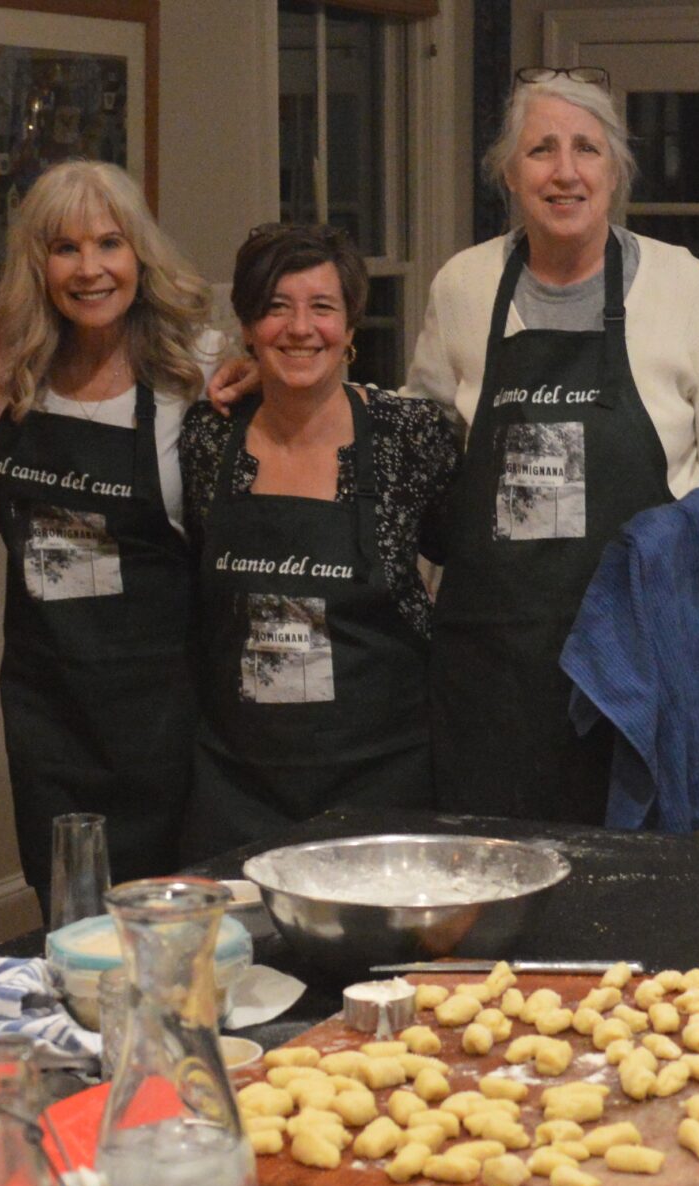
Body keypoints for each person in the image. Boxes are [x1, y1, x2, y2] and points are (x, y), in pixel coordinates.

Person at [405, 68, 699, 823]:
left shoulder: (684, 288)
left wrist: (689, 519)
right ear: (509, 173)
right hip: (494, 667)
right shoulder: (464, 287)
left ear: (616, 171)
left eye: (587, 150)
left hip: (640, 653)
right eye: (541, 150)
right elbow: (422, 439)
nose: (565, 172)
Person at [174, 224, 460, 855]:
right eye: (277, 308)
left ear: (351, 330)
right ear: (247, 328)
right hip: (237, 790)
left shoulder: (406, 438)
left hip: (383, 787)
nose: (300, 328)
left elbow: (464, 565)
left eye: (322, 308)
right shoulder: (208, 440)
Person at [0, 160, 213, 890]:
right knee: (70, 921)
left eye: (109, 243)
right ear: (37, 264)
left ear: (140, 253)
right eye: (65, 248)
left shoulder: (196, 367)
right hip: (49, 709)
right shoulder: (0, 356)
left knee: (165, 928)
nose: (90, 269)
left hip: (163, 712)